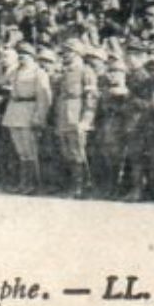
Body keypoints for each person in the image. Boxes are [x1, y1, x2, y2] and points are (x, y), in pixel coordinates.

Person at [1, 44, 52, 193]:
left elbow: (44, 97)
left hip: (29, 110)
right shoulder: (15, 71)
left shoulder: (38, 73)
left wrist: (39, 116)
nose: (22, 57)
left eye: (25, 54)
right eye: (20, 54)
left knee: (30, 150)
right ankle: (24, 183)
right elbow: (0, 81)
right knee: (20, 150)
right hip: (14, 110)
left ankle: (34, 184)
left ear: (32, 56)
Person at [52, 42, 99, 197]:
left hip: (77, 114)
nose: (65, 55)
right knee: (66, 152)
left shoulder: (86, 71)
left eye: (69, 51)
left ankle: (81, 187)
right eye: (64, 52)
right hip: (64, 114)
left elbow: (91, 97)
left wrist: (86, 119)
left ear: (77, 53)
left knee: (78, 152)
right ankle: (70, 185)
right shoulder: (65, 72)